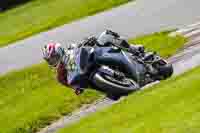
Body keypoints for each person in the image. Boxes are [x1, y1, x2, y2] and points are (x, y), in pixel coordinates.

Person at [42, 30, 148, 95]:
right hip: (86, 75)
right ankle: (116, 86)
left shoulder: (71, 48)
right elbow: (69, 84)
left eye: (54, 57)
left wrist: (88, 41)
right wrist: (76, 88)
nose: (53, 61)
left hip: (93, 56)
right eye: (50, 60)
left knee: (106, 35)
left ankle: (133, 49)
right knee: (111, 96)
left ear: (59, 51)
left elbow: (82, 46)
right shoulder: (60, 75)